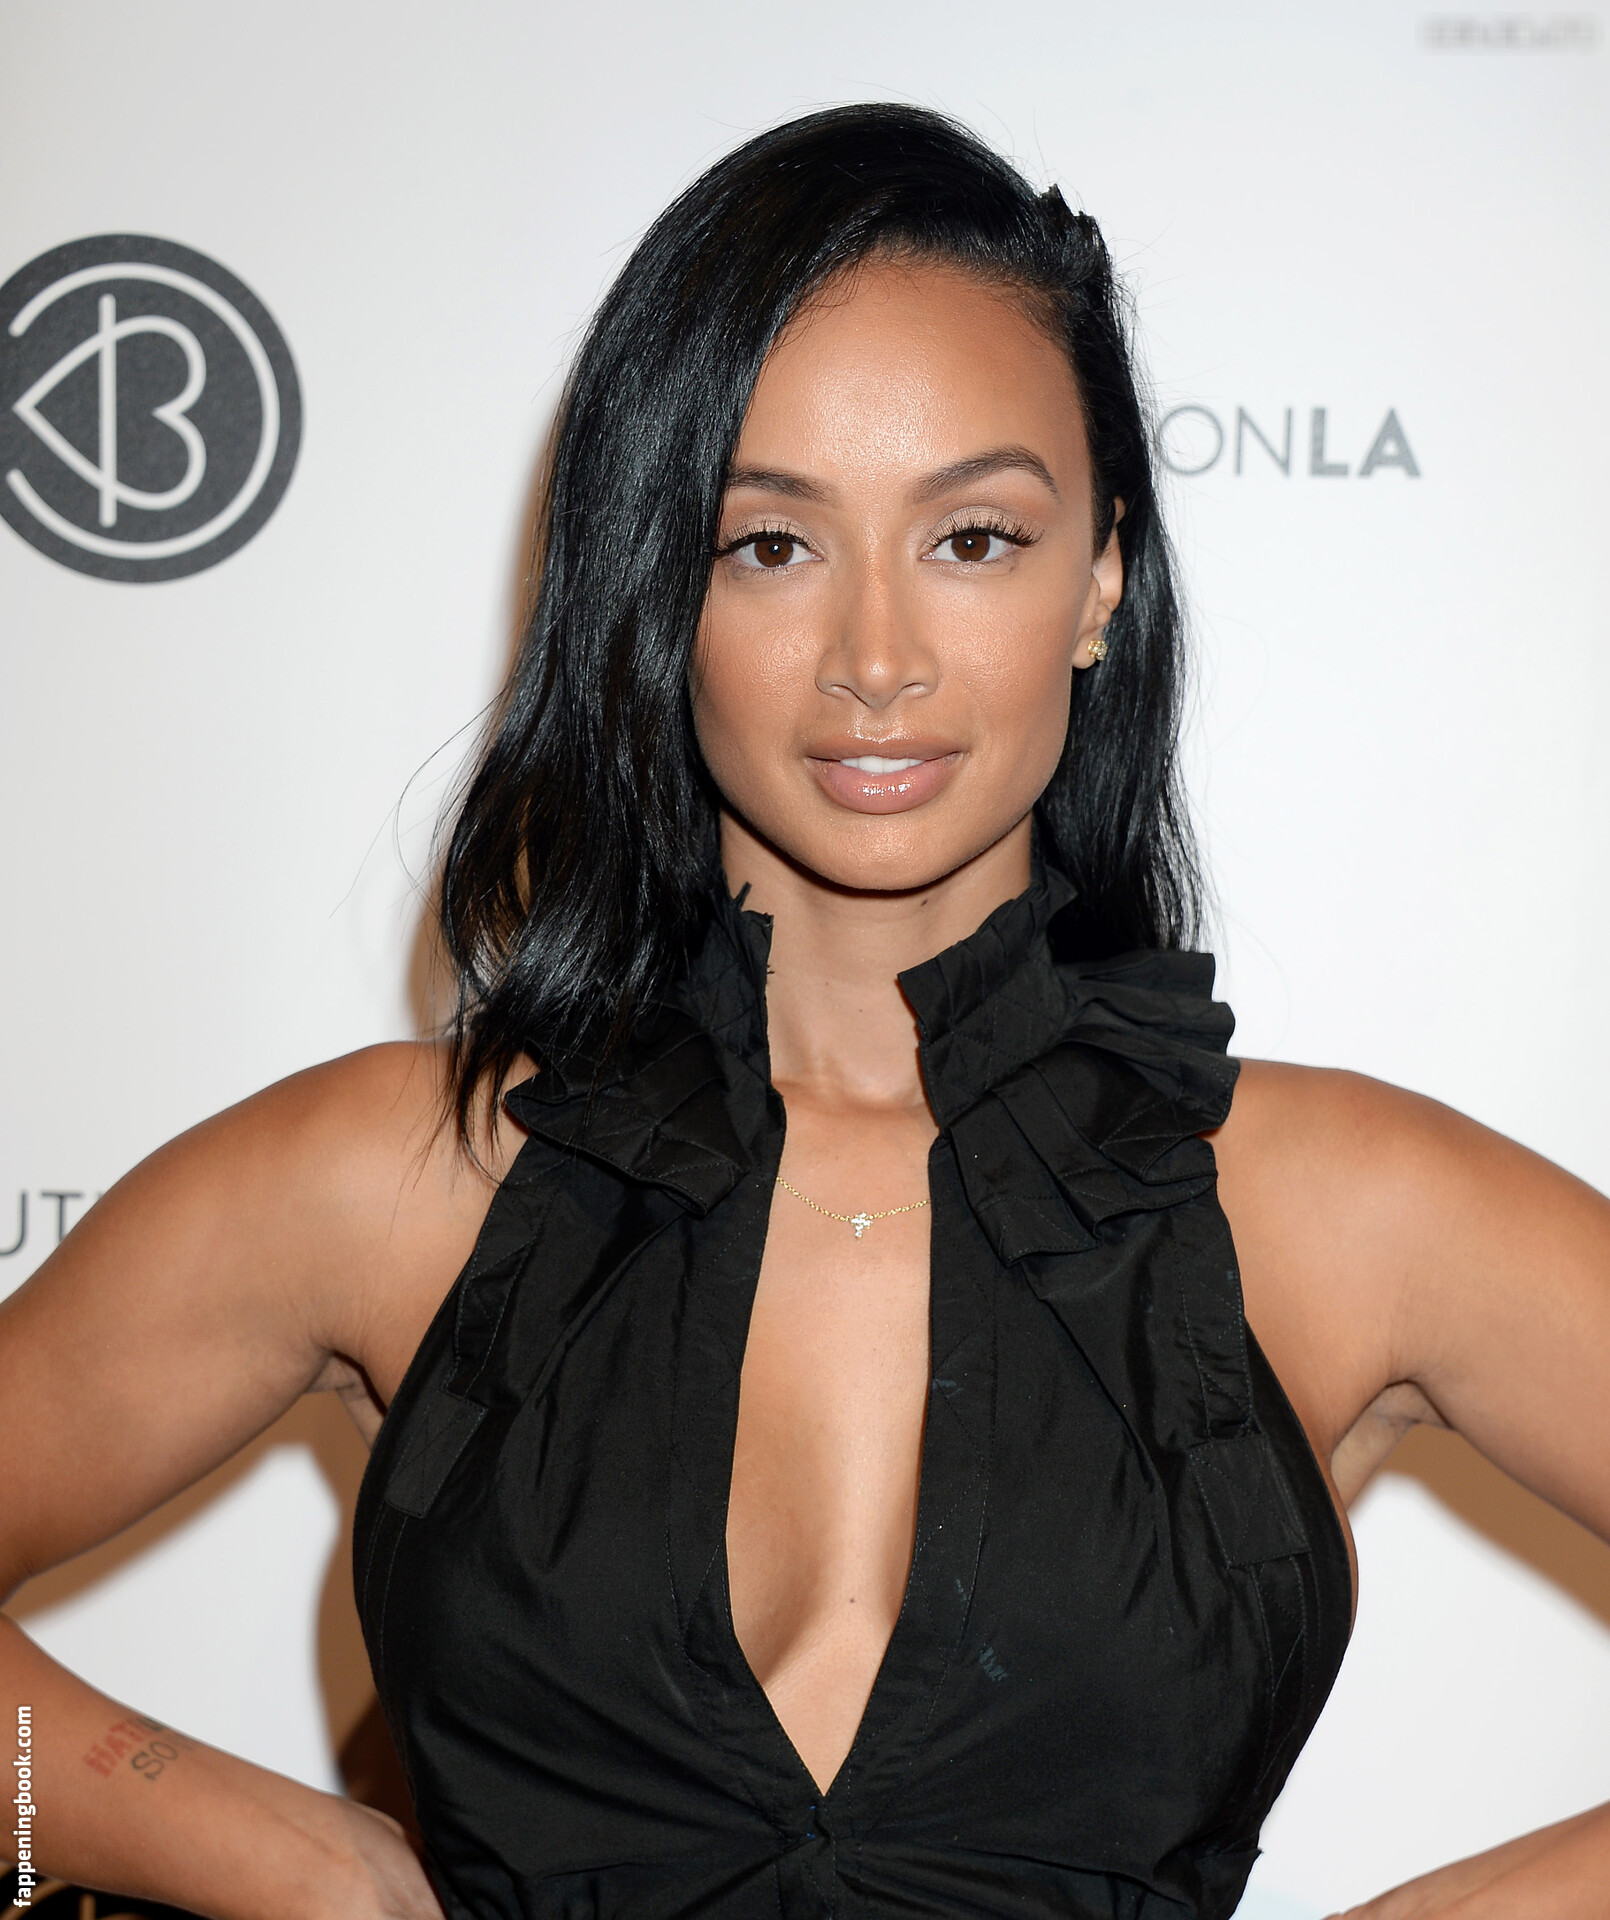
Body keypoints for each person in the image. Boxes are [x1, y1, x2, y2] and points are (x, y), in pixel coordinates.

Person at [2, 103, 1607, 1920]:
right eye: (769, 545)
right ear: (653, 585)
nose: (876, 660)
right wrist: (281, 1862)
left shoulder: (1342, 1214)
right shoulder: (396, 1180)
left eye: (973, 538)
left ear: (1099, 578)